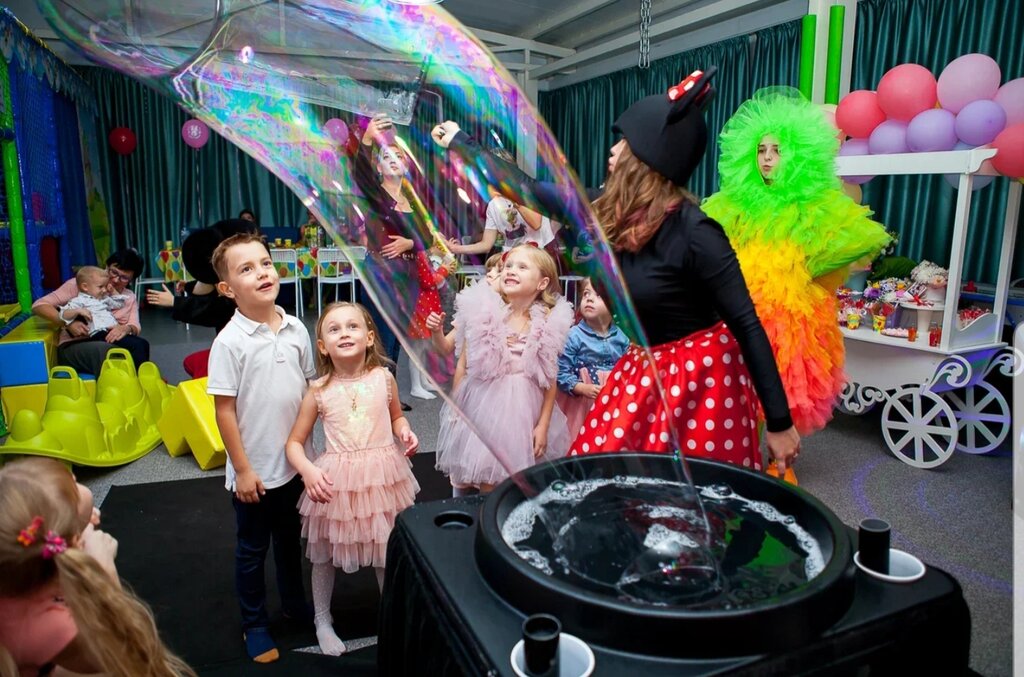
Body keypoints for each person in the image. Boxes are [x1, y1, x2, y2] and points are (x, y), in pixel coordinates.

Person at [431, 68, 801, 474]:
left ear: (649, 158)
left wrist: (779, 422)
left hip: (702, 381)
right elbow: (526, 188)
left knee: (688, 491)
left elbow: (747, 324)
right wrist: (461, 143)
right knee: (604, 475)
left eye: (624, 143)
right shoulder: (605, 212)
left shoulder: (697, 232)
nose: (612, 151)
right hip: (643, 364)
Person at [701, 90, 891, 436]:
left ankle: (778, 457)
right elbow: (711, 242)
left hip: (790, 311)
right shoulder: (736, 201)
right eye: (761, 150)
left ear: (795, 154)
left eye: (776, 150)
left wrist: (809, 268)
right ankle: (746, 449)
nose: (767, 158)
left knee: (783, 384)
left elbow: (864, 238)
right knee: (739, 386)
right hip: (742, 305)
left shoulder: (810, 201)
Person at [206, 232, 317, 663]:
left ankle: (294, 603)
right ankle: (254, 623)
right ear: (227, 288)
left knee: (290, 541)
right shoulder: (229, 342)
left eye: (265, 263)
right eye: (247, 269)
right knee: (252, 550)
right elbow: (224, 412)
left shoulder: (295, 328)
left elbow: (310, 390)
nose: (262, 273)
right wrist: (243, 469)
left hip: (292, 465)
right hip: (254, 471)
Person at [284, 302, 419, 656]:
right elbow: (294, 443)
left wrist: (404, 431)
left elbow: (396, 417)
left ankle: (391, 614)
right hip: (337, 481)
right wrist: (309, 470)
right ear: (322, 346)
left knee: (385, 548)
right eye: (334, 329)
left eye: (352, 326)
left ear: (370, 337)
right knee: (324, 554)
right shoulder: (318, 390)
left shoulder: (384, 378)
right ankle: (322, 619)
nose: (344, 333)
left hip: (382, 477)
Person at [0, 457, 195, 677]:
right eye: (74, 484)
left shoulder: (17, 569)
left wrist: (77, 523)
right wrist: (105, 574)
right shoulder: (49, 625)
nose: (73, 477)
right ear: (73, 544)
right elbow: (129, 658)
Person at [428, 244, 574, 495]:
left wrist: (543, 424)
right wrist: (436, 333)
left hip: (524, 411)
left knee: (520, 482)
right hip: (486, 406)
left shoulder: (546, 323)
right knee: (490, 478)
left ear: (542, 283)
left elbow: (549, 379)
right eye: (508, 266)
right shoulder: (486, 315)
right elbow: (463, 363)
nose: (511, 270)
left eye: (522, 267)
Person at [351, 114, 448, 410]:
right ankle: (377, 396)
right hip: (381, 270)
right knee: (380, 334)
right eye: (387, 157)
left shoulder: (413, 200)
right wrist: (368, 139)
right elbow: (360, 174)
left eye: (399, 156)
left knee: (398, 336)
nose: (394, 160)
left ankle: (388, 393)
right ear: (379, 167)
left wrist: (410, 243)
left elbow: (428, 237)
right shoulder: (376, 195)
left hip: (408, 273)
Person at [146, 219, 258, 378]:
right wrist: (187, 287)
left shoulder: (240, 295)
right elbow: (207, 285)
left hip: (243, 360)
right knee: (191, 362)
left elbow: (214, 310)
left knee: (195, 364)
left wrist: (174, 302)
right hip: (231, 350)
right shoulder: (228, 279)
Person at [32, 249, 150, 375]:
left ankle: (138, 380)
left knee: (140, 345)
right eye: (114, 272)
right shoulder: (81, 284)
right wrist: (68, 323)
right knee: (107, 351)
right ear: (106, 267)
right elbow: (39, 305)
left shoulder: (128, 297)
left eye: (124, 278)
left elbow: (135, 325)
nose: (116, 280)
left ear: (131, 280)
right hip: (75, 344)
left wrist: (126, 328)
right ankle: (113, 385)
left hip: (111, 340)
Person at [556, 279, 630, 442]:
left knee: (609, 438)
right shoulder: (573, 336)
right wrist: (581, 388)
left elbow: (628, 369)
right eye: (586, 294)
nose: (589, 299)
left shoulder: (622, 338)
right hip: (581, 404)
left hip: (612, 400)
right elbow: (561, 372)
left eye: (598, 295)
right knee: (582, 438)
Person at [57, 266, 128, 336]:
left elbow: (119, 305)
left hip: (113, 329)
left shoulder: (104, 298)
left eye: (105, 286)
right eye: (100, 287)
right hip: (99, 331)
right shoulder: (79, 300)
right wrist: (78, 311)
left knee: (132, 340)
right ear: (85, 287)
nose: (104, 290)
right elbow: (63, 314)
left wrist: (113, 292)